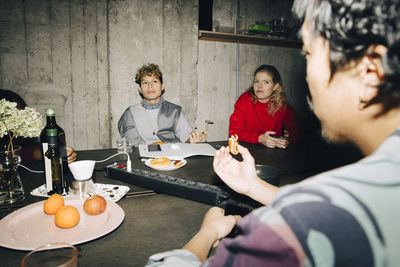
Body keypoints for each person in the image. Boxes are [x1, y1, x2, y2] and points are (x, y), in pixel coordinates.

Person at [146, 0, 400, 265]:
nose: (306, 76)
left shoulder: (280, 234)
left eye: (309, 54)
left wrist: (208, 232)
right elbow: (325, 204)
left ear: (370, 71)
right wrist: (256, 187)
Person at [118, 63, 207, 146]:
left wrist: (191, 141)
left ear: (162, 86)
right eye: (145, 82)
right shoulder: (130, 113)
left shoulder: (175, 111)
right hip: (144, 159)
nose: (150, 85)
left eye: (155, 81)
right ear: (140, 89)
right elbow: (133, 147)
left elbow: (185, 142)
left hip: (173, 158)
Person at [229, 65, 301, 149]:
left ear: (275, 86)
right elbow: (234, 132)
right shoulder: (245, 100)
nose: (259, 86)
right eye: (256, 81)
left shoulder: (282, 104)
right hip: (248, 149)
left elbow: (298, 133)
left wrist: (288, 140)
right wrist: (259, 138)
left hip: (273, 153)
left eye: (266, 82)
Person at [0, 89, 77, 163]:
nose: (18, 121)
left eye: (20, 114)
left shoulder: (22, 137)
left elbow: (29, 152)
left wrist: (61, 152)